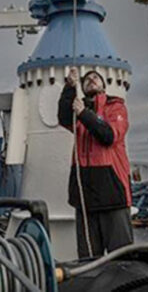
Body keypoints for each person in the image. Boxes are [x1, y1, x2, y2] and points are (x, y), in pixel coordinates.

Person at [57, 67, 133, 257]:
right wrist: (69, 87)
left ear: (103, 86)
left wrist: (84, 113)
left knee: (121, 259)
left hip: (113, 197)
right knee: (88, 260)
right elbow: (64, 117)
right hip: (85, 199)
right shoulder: (79, 112)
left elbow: (108, 135)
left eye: (96, 78)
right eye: (87, 79)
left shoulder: (115, 107)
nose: (91, 79)